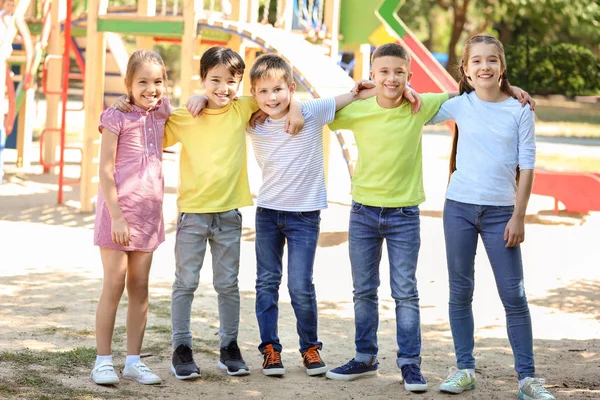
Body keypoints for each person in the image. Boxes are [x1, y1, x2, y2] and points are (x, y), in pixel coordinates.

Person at [245, 53, 421, 377]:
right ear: (254, 94)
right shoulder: (251, 117)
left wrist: (405, 89)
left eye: (279, 90)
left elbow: (355, 95)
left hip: (305, 216)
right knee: (266, 283)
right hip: (268, 213)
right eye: (264, 92)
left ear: (291, 87)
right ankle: (270, 349)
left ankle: (309, 347)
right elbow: (221, 103)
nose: (272, 98)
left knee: (300, 285)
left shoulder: (310, 111)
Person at [163, 46, 305, 379]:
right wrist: (194, 98)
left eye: (231, 81)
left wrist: (296, 106)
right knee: (185, 283)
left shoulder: (242, 108)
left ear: (240, 84)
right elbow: (153, 133)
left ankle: (230, 347)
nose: (222, 88)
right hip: (193, 214)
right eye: (214, 80)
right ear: (202, 80)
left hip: (229, 215)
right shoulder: (186, 116)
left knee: (228, 285)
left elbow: (280, 96)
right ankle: (181, 348)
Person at [428, 34, 555, 400]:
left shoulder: (519, 110)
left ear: (502, 67)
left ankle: (527, 379)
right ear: (465, 71)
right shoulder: (459, 105)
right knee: (460, 291)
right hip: (459, 209)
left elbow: (527, 166)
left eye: (492, 60)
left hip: (502, 212)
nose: (485, 67)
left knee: (513, 295)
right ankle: (465, 368)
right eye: (476, 62)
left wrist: (519, 215)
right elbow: (416, 110)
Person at [323, 43, 451, 392]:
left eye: (398, 72)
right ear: (372, 75)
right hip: (363, 212)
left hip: (404, 215)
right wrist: (353, 93)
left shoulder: (420, 106)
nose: (391, 78)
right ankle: (365, 357)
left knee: (405, 291)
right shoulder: (361, 108)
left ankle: (410, 363)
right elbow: (320, 111)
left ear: (409, 76)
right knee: (364, 290)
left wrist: (509, 89)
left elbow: (466, 95)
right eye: (383, 72)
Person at [91, 50, 170, 386]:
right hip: (117, 214)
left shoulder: (163, 111)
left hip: (149, 215)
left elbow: (200, 105)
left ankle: (134, 362)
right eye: (142, 82)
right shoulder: (115, 116)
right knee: (115, 283)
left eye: (157, 81)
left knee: (140, 287)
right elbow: (105, 171)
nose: (151, 88)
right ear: (128, 85)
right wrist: (118, 217)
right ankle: (102, 361)